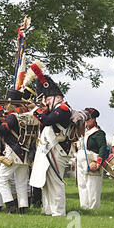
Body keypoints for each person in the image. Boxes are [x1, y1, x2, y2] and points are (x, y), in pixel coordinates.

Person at [28, 67, 75, 216]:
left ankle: (58, 212)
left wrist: (36, 109)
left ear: (57, 97)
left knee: (56, 182)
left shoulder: (63, 108)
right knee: (46, 182)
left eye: (48, 99)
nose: (46, 102)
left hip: (57, 149)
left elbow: (47, 121)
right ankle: (48, 210)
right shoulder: (56, 108)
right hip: (50, 149)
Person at [0, 88, 40, 214]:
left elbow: (2, 131)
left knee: (1, 179)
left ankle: (10, 205)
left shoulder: (13, 117)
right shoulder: (28, 115)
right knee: (21, 182)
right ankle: (23, 207)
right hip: (25, 153)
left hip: (13, 152)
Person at [74, 107, 108, 210]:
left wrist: (99, 161)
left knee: (93, 185)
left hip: (92, 159)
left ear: (93, 119)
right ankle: (84, 207)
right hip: (80, 160)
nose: (86, 121)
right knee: (82, 184)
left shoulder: (98, 132)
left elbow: (102, 147)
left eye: (88, 118)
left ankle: (93, 208)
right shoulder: (81, 131)